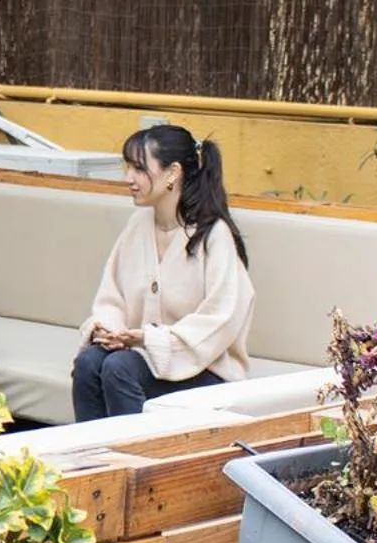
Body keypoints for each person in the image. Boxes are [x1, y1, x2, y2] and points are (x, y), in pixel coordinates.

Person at [72, 124, 254, 421]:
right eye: (127, 167)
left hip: (205, 368)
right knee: (90, 361)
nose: (128, 178)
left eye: (139, 168)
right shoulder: (137, 225)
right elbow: (111, 296)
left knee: (120, 368)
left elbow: (221, 318)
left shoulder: (214, 235)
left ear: (172, 173)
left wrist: (148, 340)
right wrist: (110, 330)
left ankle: (138, 461)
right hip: (143, 357)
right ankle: (90, 459)